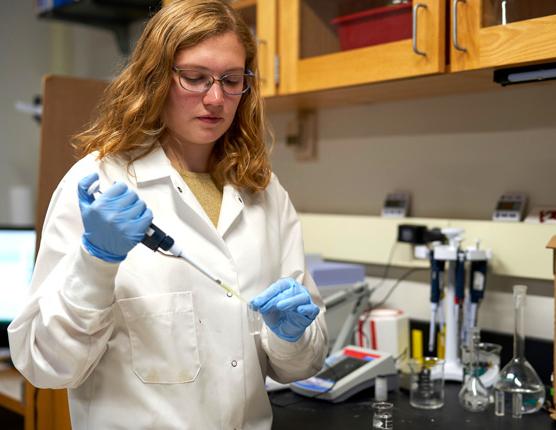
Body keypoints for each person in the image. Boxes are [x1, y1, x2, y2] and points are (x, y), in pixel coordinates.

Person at [8, 1, 328, 428]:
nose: (215, 99)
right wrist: (95, 261)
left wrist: (291, 337)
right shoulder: (100, 184)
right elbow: (44, 364)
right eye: (195, 78)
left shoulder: (264, 193)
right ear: (155, 77)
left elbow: (299, 365)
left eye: (231, 80)